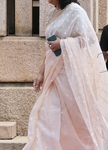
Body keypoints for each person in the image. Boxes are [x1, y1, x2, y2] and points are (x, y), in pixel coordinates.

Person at [22, 0, 108, 150]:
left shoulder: (75, 11)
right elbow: (49, 49)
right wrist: (40, 73)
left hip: (70, 77)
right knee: (46, 117)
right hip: (53, 75)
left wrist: (63, 43)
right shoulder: (52, 13)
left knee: (75, 121)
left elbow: (89, 40)